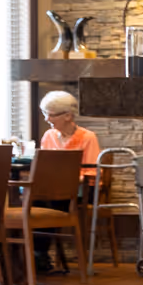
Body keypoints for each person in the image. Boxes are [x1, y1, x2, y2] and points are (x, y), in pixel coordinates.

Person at [34, 91, 98, 273]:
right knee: (32, 201)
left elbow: (92, 173)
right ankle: (34, 255)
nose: (47, 119)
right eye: (45, 113)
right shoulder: (48, 136)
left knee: (50, 202)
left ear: (68, 116)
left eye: (51, 114)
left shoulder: (88, 137)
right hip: (53, 189)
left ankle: (40, 255)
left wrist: (68, 178)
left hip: (81, 191)